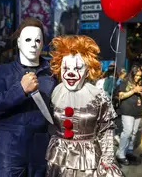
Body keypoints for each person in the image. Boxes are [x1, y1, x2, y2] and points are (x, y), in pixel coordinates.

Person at [0, 17, 56, 176]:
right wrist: (20, 90)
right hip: (9, 151)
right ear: (18, 43)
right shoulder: (2, 72)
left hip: (41, 150)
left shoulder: (51, 74)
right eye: (28, 39)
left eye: (38, 40)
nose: (33, 44)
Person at [46, 35, 122, 176]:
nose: (70, 73)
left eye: (78, 68)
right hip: (59, 157)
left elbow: (107, 130)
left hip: (88, 160)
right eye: (66, 68)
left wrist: (107, 159)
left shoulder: (98, 96)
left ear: (87, 70)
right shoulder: (55, 92)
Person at [116, 65, 142, 166]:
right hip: (127, 110)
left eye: (140, 75)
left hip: (137, 110)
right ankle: (120, 154)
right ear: (132, 74)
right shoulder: (125, 82)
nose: (138, 77)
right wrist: (133, 91)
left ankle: (129, 152)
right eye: (136, 75)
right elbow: (120, 95)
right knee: (127, 132)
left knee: (134, 133)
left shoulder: (141, 82)